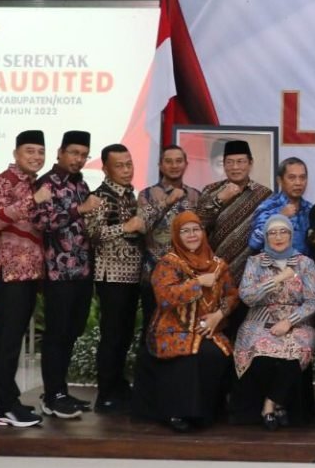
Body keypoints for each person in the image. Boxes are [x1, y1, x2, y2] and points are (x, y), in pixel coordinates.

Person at [139, 211, 238, 432]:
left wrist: (218, 316)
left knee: (216, 353)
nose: (192, 235)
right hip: (173, 327)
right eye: (185, 231)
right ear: (177, 235)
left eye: (196, 230)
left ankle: (204, 414)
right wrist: (198, 282)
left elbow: (232, 295)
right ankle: (178, 413)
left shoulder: (218, 265)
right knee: (187, 355)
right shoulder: (168, 263)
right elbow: (165, 298)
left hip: (207, 327)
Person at [31, 130, 102, 419]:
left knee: (71, 332)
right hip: (58, 272)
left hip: (82, 271)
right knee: (57, 334)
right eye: (73, 153)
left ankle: (60, 390)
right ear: (60, 152)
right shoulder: (46, 183)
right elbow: (43, 222)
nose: (78, 159)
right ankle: (52, 395)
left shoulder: (81, 183)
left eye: (83, 155)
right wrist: (79, 209)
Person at [0, 130, 47, 427]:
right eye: (30, 151)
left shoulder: (35, 182)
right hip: (9, 272)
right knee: (6, 341)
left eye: (40, 152)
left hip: (29, 273)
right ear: (16, 154)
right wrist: (33, 200)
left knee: (12, 340)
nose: (36, 157)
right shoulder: (4, 181)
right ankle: (4, 405)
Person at [235, 214, 315, 429]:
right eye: (272, 233)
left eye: (283, 232)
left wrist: (289, 322)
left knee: (293, 353)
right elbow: (247, 296)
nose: (278, 237)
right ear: (265, 237)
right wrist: (274, 280)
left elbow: (313, 301)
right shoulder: (255, 262)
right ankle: (277, 405)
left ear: (291, 235)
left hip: (297, 321)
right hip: (259, 319)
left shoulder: (305, 263)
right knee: (261, 352)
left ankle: (270, 404)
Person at [88, 143, 149, 412]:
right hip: (111, 275)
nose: (126, 170)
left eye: (129, 164)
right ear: (105, 169)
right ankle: (105, 393)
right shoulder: (100, 196)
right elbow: (93, 234)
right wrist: (126, 226)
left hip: (132, 275)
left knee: (124, 335)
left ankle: (118, 384)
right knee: (112, 335)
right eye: (119, 166)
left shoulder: (129, 195)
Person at [197, 139, 272, 282]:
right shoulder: (210, 191)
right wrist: (220, 199)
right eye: (230, 162)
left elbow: (270, 234)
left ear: (250, 163)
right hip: (215, 271)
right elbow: (199, 225)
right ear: (224, 165)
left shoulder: (264, 194)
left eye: (240, 161)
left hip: (253, 273)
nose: (235, 167)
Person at [135, 143, 202, 303]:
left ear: (186, 164)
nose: (174, 165)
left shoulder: (195, 195)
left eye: (178, 161)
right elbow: (142, 226)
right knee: (153, 318)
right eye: (168, 161)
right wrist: (166, 202)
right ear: (160, 165)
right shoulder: (147, 195)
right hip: (154, 272)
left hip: (188, 274)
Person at [248, 157, 312, 258]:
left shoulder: (310, 209)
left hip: (304, 267)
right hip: (273, 266)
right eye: (292, 178)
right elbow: (254, 243)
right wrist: (279, 217)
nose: (298, 183)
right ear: (279, 180)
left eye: (302, 177)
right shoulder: (268, 207)